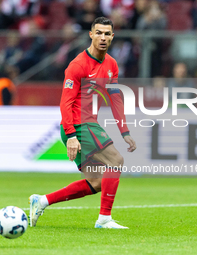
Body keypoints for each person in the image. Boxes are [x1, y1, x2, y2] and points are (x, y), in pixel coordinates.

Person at [29, 17, 137, 229]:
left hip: (87, 125)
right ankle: (104, 219)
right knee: (116, 161)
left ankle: (41, 201)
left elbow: (115, 98)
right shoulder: (77, 65)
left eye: (107, 34)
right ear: (91, 34)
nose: (103, 37)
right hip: (78, 125)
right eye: (99, 33)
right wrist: (70, 135)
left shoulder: (111, 65)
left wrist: (124, 131)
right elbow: (65, 102)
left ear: (112, 37)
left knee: (96, 183)